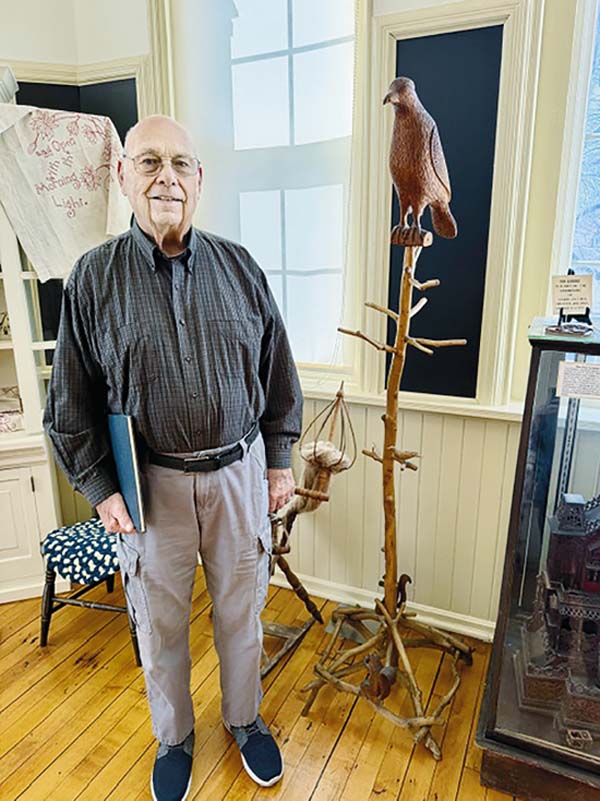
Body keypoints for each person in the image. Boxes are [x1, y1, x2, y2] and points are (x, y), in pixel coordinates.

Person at [43, 115, 303, 801]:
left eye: (181, 163)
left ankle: (244, 720)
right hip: (149, 488)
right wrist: (102, 490)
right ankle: (175, 736)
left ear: (199, 179)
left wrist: (279, 461)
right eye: (150, 161)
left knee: (240, 614)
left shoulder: (241, 268)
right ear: (123, 175)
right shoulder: (93, 279)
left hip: (238, 478)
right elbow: (68, 404)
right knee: (159, 627)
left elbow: (278, 375)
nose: (167, 177)